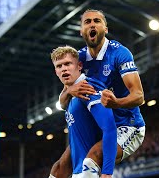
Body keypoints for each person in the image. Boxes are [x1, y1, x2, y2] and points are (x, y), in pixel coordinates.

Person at [49, 9, 146, 178]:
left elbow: (139, 96)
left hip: (126, 125)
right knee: (60, 168)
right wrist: (70, 90)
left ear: (105, 29)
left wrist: (116, 103)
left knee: (92, 159)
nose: (92, 24)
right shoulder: (78, 59)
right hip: (97, 126)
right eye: (87, 22)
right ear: (81, 31)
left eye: (97, 21)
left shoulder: (119, 54)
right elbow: (63, 103)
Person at [50, 45, 117, 178]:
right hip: (78, 169)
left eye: (68, 64)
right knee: (56, 169)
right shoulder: (71, 94)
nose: (64, 69)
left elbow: (110, 128)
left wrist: (107, 173)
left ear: (79, 66)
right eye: (59, 66)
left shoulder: (87, 88)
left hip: (88, 171)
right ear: (56, 72)